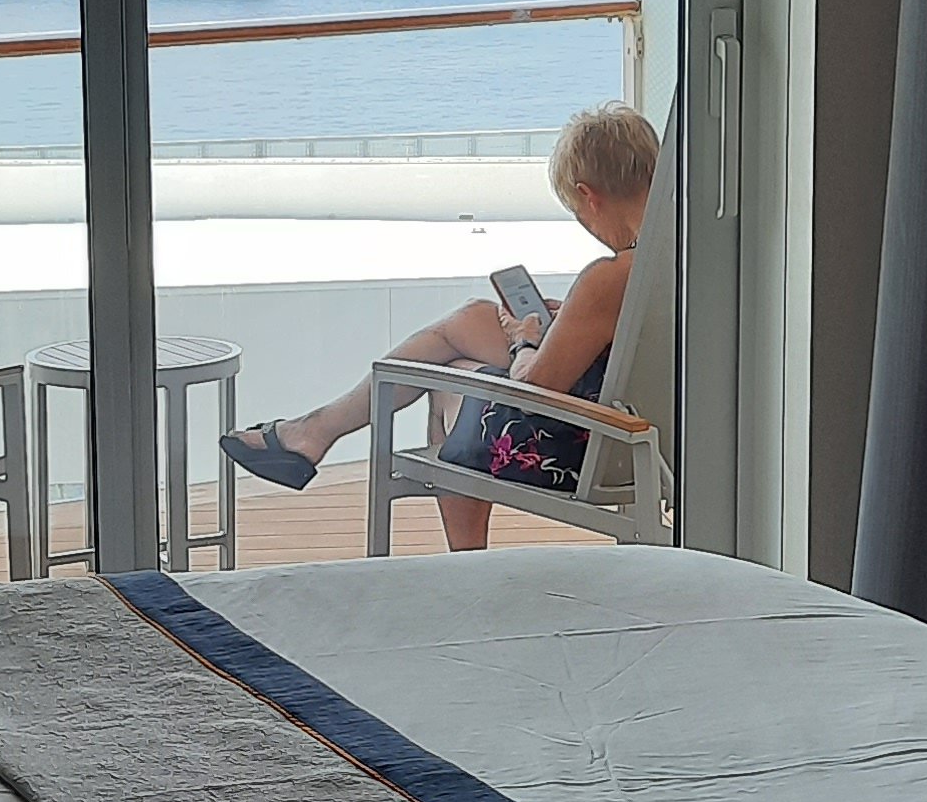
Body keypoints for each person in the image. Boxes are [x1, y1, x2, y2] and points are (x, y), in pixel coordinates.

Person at [220, 100, 659, 551]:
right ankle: (315, 430)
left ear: (589, 195)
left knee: (448, 380)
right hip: (660, 437)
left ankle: (465, 562)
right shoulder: (681, 254)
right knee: (471, 318)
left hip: (594, 448)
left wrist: (524, 340)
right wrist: (572, 317)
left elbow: (535, 388)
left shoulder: (611, 277)